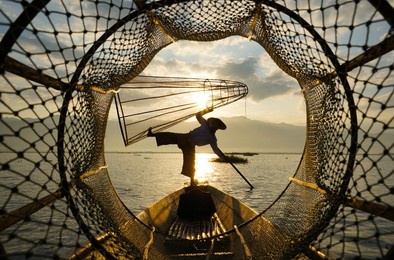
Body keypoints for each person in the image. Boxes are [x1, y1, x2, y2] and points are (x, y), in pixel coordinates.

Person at [147, 108, 227, 185]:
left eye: (216, 125)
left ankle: (192, 183)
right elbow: (198, 115)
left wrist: (223, 157)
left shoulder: (212, 139)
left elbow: (216, 150)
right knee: (171, 136)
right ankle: (152, 134)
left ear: (217, 128)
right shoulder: (205, 124)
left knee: (191, 162)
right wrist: (208, 110)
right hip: (186, 137)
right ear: (212, 123)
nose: (214, 126)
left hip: (191, 146)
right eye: (214, 124)